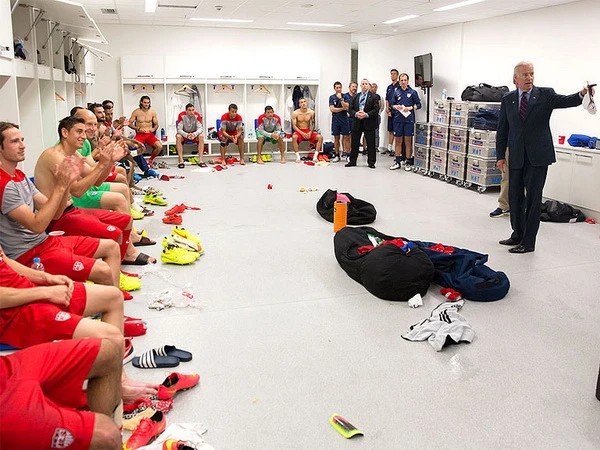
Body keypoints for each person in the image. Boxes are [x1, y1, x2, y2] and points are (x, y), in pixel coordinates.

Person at [0, 121, 121, 288]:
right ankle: (109, 299)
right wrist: (62, 186)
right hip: (27, 254)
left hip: (45, 241)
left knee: (112, 247)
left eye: (22, 140)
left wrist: (66, 184)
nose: (22, 146)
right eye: (15, 141)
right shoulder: (4, 184)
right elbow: (37, 225)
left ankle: (111, 297)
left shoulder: (19, 175)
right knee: (103, 270)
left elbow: (56, 213)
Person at [496, 61, 589, 253]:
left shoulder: (545, 95)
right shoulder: (508, 99)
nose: (529, 78)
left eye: (531, 74)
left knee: (533, 199)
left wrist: (582, 94)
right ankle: (517, 234)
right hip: (517, 155)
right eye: (525, 75)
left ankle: (528, 242)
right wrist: (500, 156)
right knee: (514, 197)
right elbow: (502, 129)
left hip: (538, 156)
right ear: (515, 78)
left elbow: (567, 100)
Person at [0, 338, 123, 449]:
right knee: (106, 434)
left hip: (5, 370)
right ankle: (97, 439)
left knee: (108, 352)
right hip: (4, 403)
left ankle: (96, 441)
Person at [389, 73, 421, 172]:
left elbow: (419, 105)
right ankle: (397, 161)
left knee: (408, 141)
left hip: (408, 121)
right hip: (398, 120)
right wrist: (395, 106)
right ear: (399, 81)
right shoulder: (396, 92)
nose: (403, 82)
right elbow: (391, 104)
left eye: (405, 80)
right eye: (401, 80)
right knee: (398, 141)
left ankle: (408, 162)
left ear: (408, 81)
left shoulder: (412, 92)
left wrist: (411, 108)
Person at [345, 79, 380, 169]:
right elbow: (350, 109)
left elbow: (376, 109)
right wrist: (356, 114)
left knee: (371, 143)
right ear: (360, 86)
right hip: (357, 122)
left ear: (369, 86)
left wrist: (366, 114)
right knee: (354, 143)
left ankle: (371, 162)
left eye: (366, 84)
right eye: (363, 84)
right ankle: (352, 161)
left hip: (369, 122)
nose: (364, 85)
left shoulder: (374, 97)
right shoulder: (355, 96)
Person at [128, 95, 163, 167]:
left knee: (159, 146)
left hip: (150, 135)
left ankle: (150, 161)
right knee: (133, 147)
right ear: (141, 102)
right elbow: (129, 124)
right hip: (140, 135)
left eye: (148, 103)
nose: (146, 104)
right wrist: (137, 128)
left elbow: (156, 125)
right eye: (145, 102)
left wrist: (153, 129)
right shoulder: (136, 112)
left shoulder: (152, 112)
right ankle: (137, 162)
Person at [291, 98, 323, 163]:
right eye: (301, 102)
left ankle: (315, 157)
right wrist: (302, 133)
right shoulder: (295, 113)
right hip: (299, 131)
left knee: (320, 137)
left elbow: (313, 124)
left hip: (308, 130)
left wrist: (310, 132)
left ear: (307, 103)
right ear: (299, 104)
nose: (303, 103)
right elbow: (294, 126)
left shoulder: (311, 112)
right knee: (294, 137)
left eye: (304, 102)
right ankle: (298, 157)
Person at [176, 103, 205, 169]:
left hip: (194, 134)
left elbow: (200, 128)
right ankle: (181, 161)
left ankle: (200, 160)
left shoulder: (197, 115)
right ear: (186, 111)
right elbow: (179, 129)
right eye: (189, 110)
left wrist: (194, 134)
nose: (191, 112)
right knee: (178, 137)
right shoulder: (181, 115)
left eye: (192, 110)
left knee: (201, 136)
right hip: (185, 134)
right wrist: (186, 135)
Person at [329, 81, 350, 163]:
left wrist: (341, 99)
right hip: (336, 120)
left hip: (344, 120)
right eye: (337, 88)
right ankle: (337, 155)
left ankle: (348, 155)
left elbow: (346, 107)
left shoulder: (345, 96)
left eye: (339, 87)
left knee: (346, 137)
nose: (338, 89)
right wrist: (342, 109)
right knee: (336, 138)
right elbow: (332, 109)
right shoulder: (332, 97)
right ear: (334, 88)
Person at [385, 69, 401, 155]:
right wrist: (387, 109)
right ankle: (390, 148)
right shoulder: (389, 87)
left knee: (397, 130)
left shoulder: (399, 86)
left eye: (394, 74)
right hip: (390, 111)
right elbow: (387, 99)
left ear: (397, 75)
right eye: (391, 74)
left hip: (397, 112)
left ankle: (397, 149)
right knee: (390, 130)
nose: (393, 75)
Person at [344, 82, 358, 155]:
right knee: (346, 136)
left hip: (355, 119)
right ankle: (346, 151)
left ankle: (352, 152)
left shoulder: (358, 96)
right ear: (349, 87)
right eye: (353, 86)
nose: (354, 88)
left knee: (354, 136)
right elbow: (343, 106)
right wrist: (345, 112)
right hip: (346, 119)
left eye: (355, 87)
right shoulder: (345, 96)